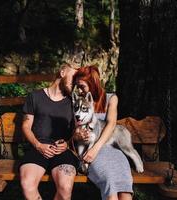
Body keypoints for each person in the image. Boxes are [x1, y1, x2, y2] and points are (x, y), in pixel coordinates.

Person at [19, 61, 79, 200]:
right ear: (62, 73)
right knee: (28, 184)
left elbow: (77, 131)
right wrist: (38, 145)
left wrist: (68, 144)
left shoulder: (73, 102)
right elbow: (26, 126)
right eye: (73, 78)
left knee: (65, 188)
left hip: (62, 150)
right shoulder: (35, 97)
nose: (75, 83)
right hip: (37, 148)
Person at [72, 65, 133, 200]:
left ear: (93, 83)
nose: (79, 90)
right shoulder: (77, 101)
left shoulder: (111, 98)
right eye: (77, 86)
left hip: (111, 148)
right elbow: (72, 130)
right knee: (110, 182)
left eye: (82, 86)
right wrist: (77, 135)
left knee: (125, 188)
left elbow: (111, 124)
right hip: (89, 151)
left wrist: (96, 148)